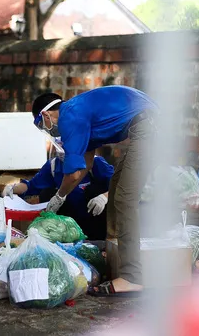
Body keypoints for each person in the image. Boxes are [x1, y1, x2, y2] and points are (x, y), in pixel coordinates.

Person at [31, 86, 158, 297]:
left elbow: (72, 174)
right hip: (144, 125)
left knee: (125, 200)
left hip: (148, 126)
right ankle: (115, 259)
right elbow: (85, 165)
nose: (47, 130)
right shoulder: (78, 114)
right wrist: (63, 192)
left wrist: (59, 196)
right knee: (117, 192)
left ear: (45, 115)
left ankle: (132, 276)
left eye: (41, 125)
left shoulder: (69, 116)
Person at [2, 154, 114, 240]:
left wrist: (104, 197)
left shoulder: (95, 163)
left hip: (95, 223)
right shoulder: (54, 166)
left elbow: (120, 186)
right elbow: (31, 186)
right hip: (68, 228)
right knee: (47, 193)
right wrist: (11, 188)